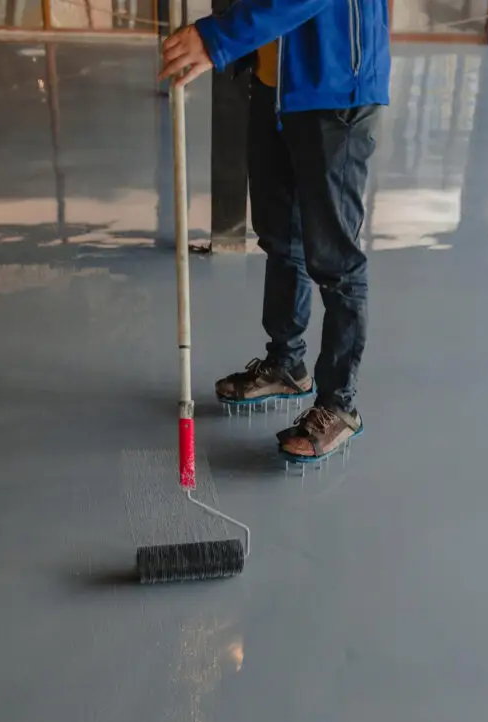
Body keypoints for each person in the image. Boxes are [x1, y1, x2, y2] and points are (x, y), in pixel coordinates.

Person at [160, 0, 390, 463]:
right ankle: (287, 363)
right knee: (281, 236)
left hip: (334, 85)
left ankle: (339, 405)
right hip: (275, 85)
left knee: (335, 259)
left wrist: (219, 37)